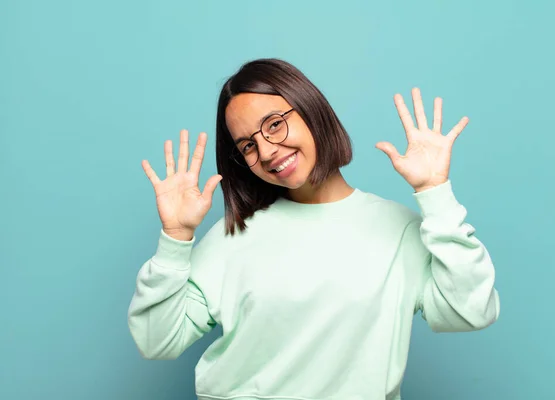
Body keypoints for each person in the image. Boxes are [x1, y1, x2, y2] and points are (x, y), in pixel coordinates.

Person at [127, 58, 500, 400]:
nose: (268, 150)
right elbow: (157, 339)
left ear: (310, 108)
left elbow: (470, 312)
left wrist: (435, 193)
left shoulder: (397, 228)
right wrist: (175, 238)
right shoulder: (234, 236)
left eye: (274, 124)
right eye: (248, 145)